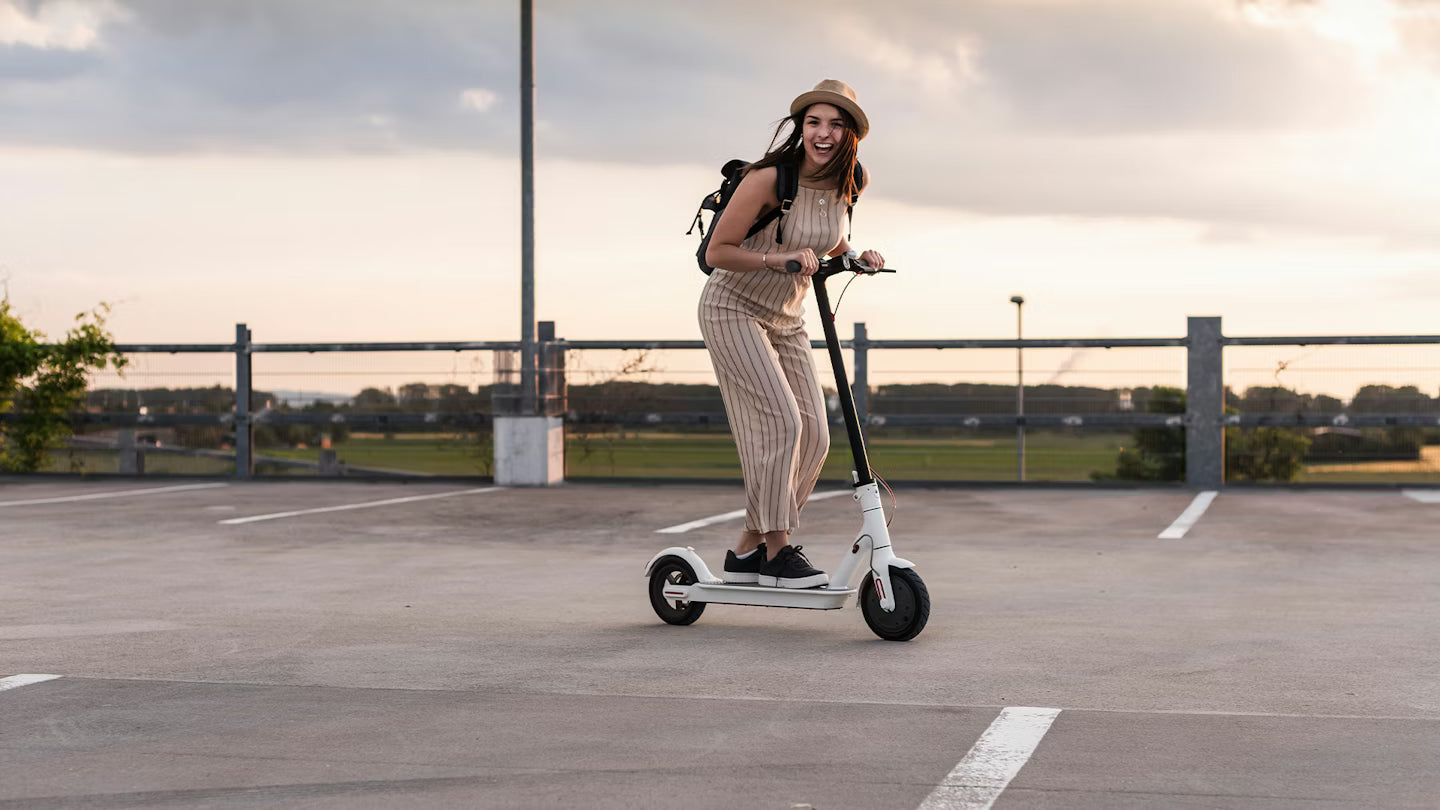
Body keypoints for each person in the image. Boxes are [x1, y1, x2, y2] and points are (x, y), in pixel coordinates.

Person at [698, 79, 886, 589]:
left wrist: (855, 257)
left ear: (850, 134)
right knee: (781, 423)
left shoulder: (850, 181)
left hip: (787, 318)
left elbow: (829, 240)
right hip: (732, 307)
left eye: (835, 124)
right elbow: (718, 252)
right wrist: (776, 259)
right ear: (800, 127)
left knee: (816, 436)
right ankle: (778, 551)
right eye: (813, 122)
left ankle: (746, 551)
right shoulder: (767, 179)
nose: (822, 133)